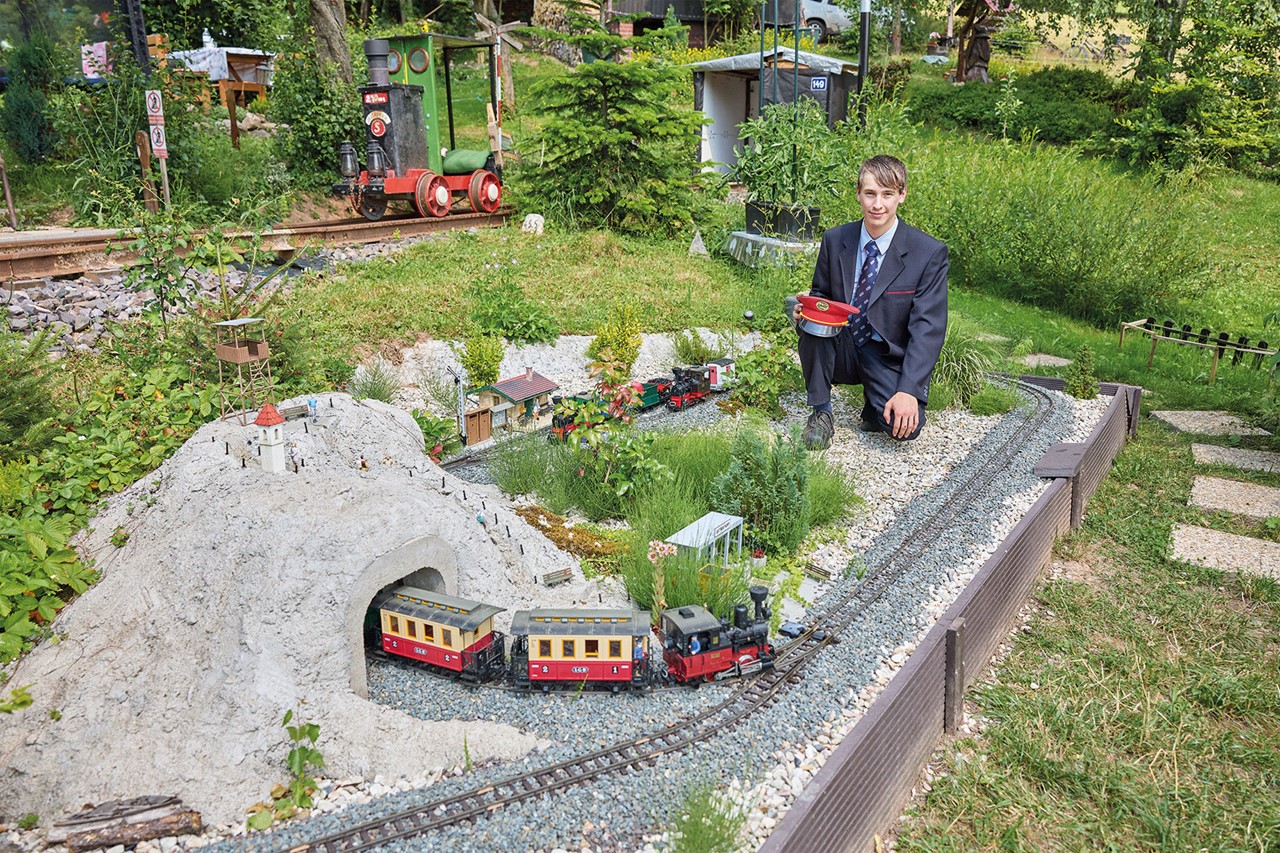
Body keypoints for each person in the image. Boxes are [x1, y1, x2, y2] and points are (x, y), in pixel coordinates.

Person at [793, 154, 948, 450]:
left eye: (887, 194)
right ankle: (821, 412)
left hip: (886, 353)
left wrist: (909, 390)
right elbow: (821, 293)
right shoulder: (835, 239)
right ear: (858, 194)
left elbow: (928, 328)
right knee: (814, 325)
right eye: (870, 193)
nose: (878, 204)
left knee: (903, 429)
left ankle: (874, 409)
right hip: (842, 342)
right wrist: (808, 310)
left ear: (902, 195)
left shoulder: (928, 253)